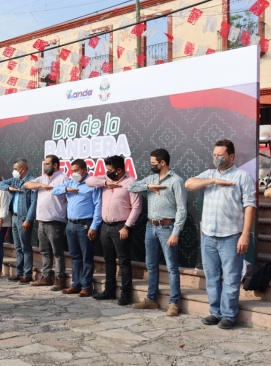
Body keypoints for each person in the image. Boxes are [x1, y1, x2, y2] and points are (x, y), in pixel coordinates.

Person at [185, 139, 256, 329]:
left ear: (231, 156)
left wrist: (245, 235)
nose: (216, 159)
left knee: (231, 278)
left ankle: (229, 315)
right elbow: (189, 184)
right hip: (208, 235)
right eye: (214, 155)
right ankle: (215, 312)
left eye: (220, 156)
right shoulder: (208, 174)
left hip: (231, 236)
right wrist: (213, 180)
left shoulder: (242, 176)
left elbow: (250, 207)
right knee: (212, 277)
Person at [128, 148, 187, 317]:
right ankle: (151, 299)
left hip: (167, 228)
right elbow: (131, 187)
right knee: (151, 266)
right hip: (150, 227)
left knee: (172, 268)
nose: (151, 165)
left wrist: (176, 232)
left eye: (153, 163)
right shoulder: (152, 178)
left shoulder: (176, 181)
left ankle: (174, 302)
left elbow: (182, 209)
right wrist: (148, 186)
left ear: (163, 163)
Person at [86, 155, 142, 305]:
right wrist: (106, 182)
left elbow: (137, 207)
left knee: (123, 261)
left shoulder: (131, 183)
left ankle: (126, 294)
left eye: (110, 170)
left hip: (121, 226)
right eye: (107, 169)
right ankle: (109, 290)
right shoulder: (106, 180)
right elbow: (89, 181)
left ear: (119, 169)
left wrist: (127, 226)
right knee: (108, 259)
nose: (108, 172)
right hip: (105, 226)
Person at [52, 159, 102, 295]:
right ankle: (76, 284)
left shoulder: (92, 184)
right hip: (70, 224)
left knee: (87, 256)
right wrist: (66, 188)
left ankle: (86, 286)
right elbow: (54, 191)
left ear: (84, 170)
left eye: (76, 170)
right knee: (75, 256)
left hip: (85, 224)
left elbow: (98, 206)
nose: (74, 173)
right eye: (72, 171)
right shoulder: (71, 182)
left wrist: (94, 226)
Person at [24, 155, 68, 288]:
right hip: (41, 222)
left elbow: (68, 198)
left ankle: (59, 278)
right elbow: (27, 184)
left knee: (57, 252)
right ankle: (47, 276)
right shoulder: (42, 178)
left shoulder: (63, 178)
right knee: (44, 251)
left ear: (55, 165)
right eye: (44, 164)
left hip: (55, 221)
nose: (45, 166)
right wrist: (41, 185)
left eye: (48, 164)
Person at [0, 159, 37, 284]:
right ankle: (19, 273)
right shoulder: (15, 180)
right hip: (14, 217)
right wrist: (10, 188)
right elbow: (0, 184)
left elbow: (34, 203)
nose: (13, 171)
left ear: (23, 169)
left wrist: (28, 219)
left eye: (15, 169)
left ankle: (27, 274)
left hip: (23, 218)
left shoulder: (32, 182)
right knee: (18, 247)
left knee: (26, 247)